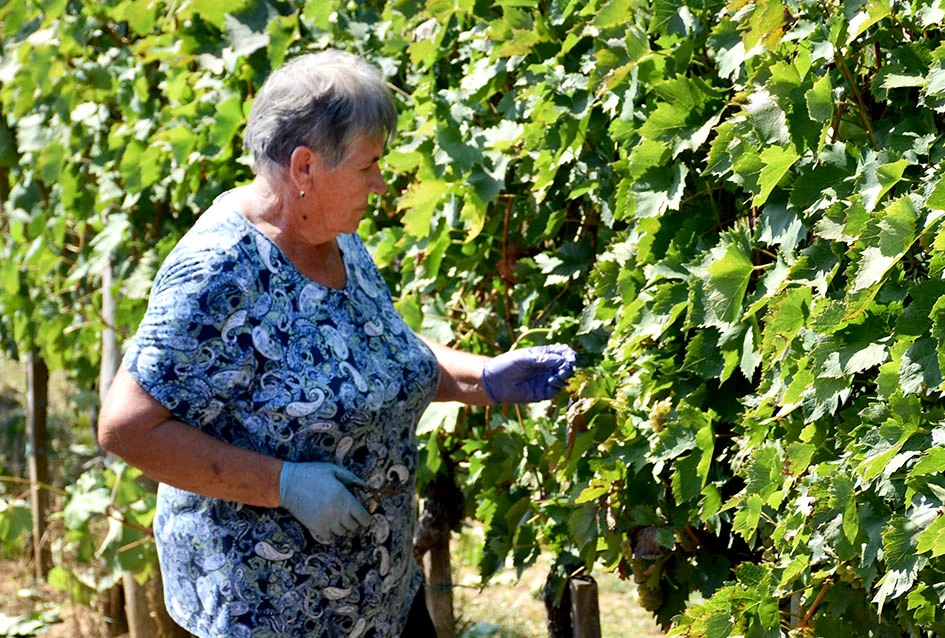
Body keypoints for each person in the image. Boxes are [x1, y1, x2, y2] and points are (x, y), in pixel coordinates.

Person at [97, 49, 576, 638]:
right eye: (367, 165)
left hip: (382, 596)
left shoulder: (335, 239)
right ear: (305, 168)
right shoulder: (218, 271)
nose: (379, 182)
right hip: (271, 613)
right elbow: (126, 428)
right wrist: (282, 484)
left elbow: (378, 349)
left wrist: (487, 377)